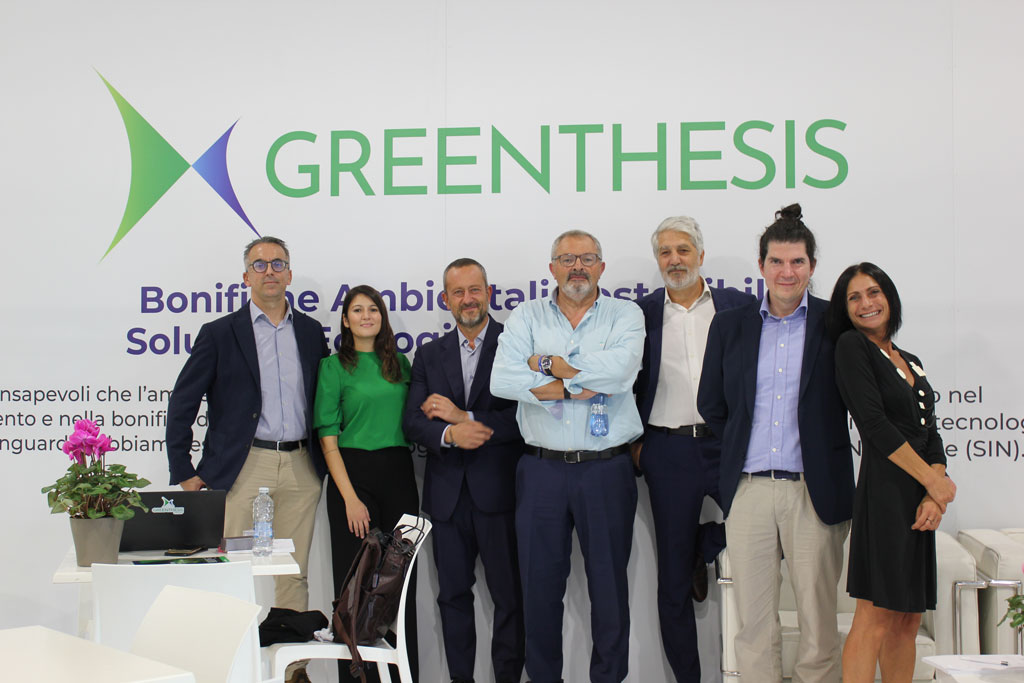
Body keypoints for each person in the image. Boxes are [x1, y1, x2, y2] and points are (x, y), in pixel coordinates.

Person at [697, 204, 855, 683]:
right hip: (749, 491)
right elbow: (712, 405)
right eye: (777, 262)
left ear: (812, 265)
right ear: (761, 265)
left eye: (798, 262)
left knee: (818, 625)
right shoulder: (731, 325)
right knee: (753, 625)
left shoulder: (836, 324)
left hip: (814, 491)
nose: (788, 272)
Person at [490, 230, 645, 683]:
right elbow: (502, 379)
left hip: (606, 470)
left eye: (587, 258)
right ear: (552, 268)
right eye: (567, 259)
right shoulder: (526, 315)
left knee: (609, 591)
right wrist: (576, 385)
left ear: (602, 267)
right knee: (538, 592)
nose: (577, 267)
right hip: (542, 471)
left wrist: (548, 365)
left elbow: (621, 373)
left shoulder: (625, 314)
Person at [166, 236, 329, 613]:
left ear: (289, 274)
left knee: (293, 572)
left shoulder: (309, 332)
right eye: (259, 264)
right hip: (243, 467)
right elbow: (183, 401)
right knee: (230, 570)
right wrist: (183, 470)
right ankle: (231, 648)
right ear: (246, 277)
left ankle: (290, 649)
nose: (269, 271)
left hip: (301, 467)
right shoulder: (219, 333)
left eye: (277, 263)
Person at [633, 216, 755, 682]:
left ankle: (705, 543)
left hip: (730, 447)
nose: (674, 260)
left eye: (683, 250)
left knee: (771, 538)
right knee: (672, 583)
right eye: (665, 252)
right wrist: (636, 445)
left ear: (701, 256)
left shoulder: (738, 305)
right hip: (668, 452)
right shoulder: (640, 314)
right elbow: (623, 381)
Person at [827, 263, 956, 683]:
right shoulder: (852, 347)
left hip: (919, 499)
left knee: (907, 619)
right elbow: (875, 426)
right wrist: (933, 481)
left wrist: (933, 493)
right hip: (884, 494)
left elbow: (929, 433)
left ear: (889, 297)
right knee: (876, 615)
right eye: (854, 297)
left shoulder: (910, 360)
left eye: (874, 292)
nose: (866, 303)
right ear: (845, 309)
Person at [403, 258, 525, 683]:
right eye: (458, 292)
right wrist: (451, 434)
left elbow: (527, 417)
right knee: (452, 597)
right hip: (447, 499)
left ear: (488, 293)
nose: (467, 299)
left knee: (510, 600)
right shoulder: (428, 354)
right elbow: (413, 421)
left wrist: (466, 417)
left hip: (501, 495)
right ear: (446, 299)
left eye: (475, 290)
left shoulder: (516, 344)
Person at [313, 285, 420, 683]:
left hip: (399, 475)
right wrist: (350, 498)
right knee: (355, 589)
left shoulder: (400, 364)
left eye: (372, 309)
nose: (366, 316)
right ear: (345, 320)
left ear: (382, 317)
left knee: (401, 587)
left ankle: (402, 675)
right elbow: (328, 438)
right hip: (352, 477)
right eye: (357, 310)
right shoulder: (333, 367)